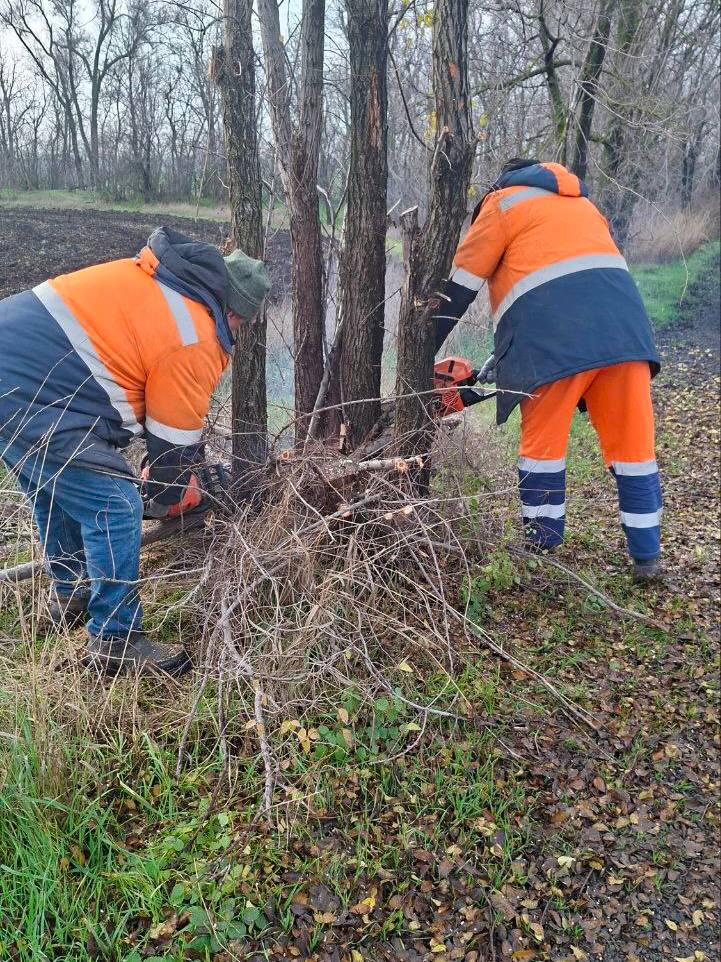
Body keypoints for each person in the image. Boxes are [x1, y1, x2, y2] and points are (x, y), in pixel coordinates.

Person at [0, 227, 270, 674]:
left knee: (58, 488)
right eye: (244, 321)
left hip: (17, 367)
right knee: (115, 506)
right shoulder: (196, 333)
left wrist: (164, 470)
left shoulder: (163, 282)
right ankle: (114, 639)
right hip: (31, 386)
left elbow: (153, 404)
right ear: (236, 311)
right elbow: (173, 445)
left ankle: (73, 591)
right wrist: (166, 499)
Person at [433, 159, 663, 582]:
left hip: (552, 344)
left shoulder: (502, 204)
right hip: (627, 336)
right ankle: (648, 556)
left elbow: (459, 287)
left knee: (543, 448)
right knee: (635, 449)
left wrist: (422, 347)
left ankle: (542, 549)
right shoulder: (582, 206)